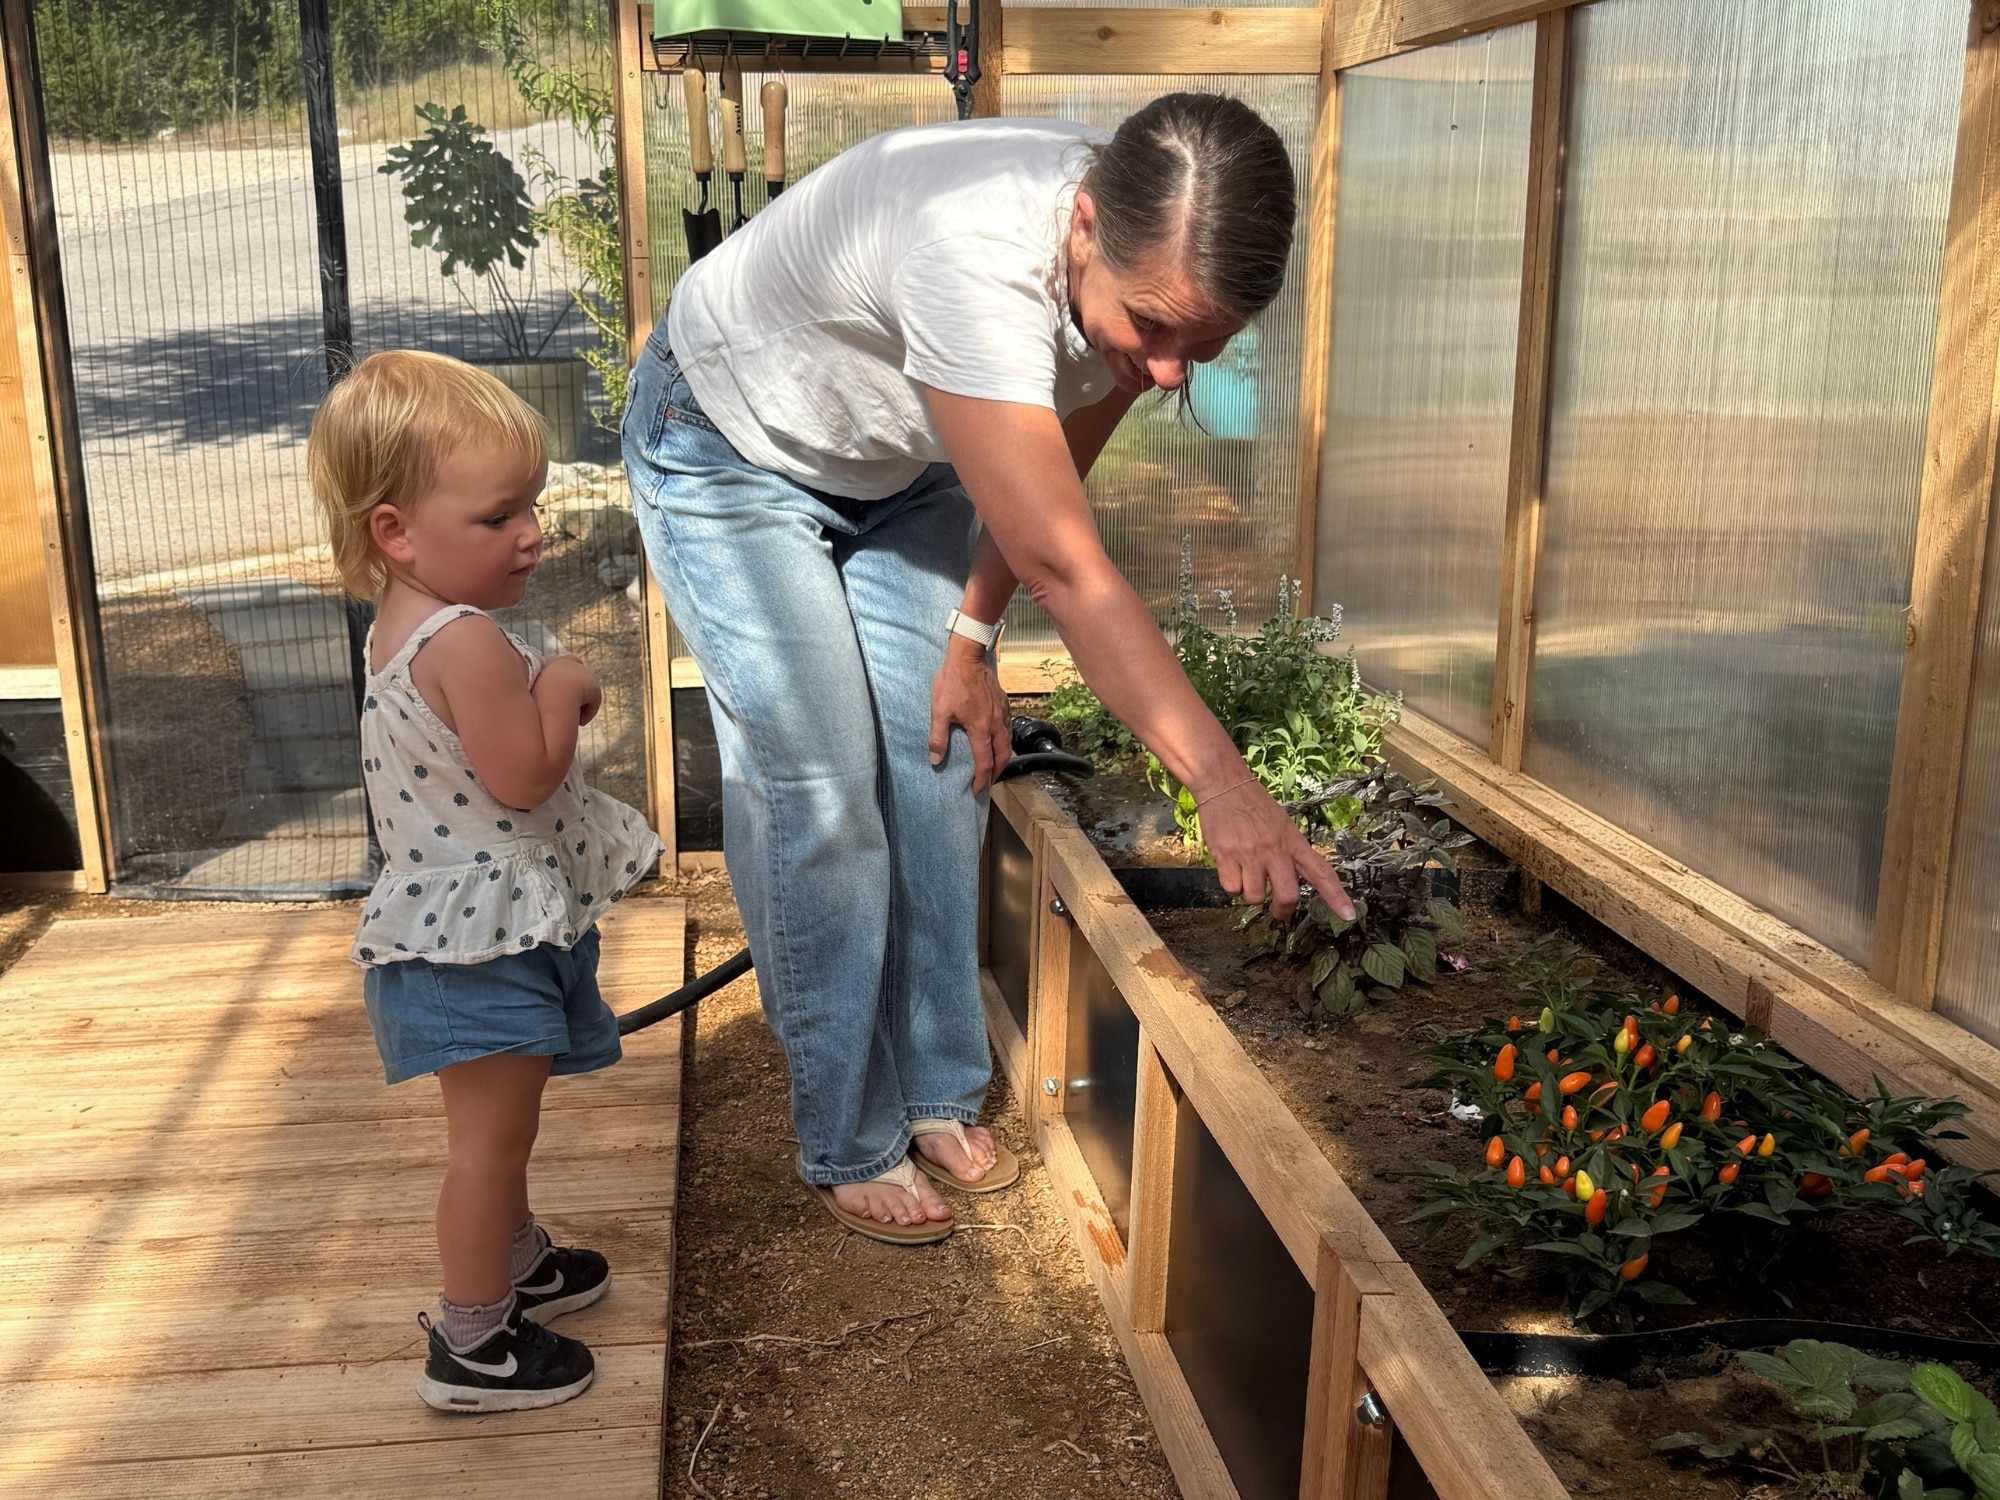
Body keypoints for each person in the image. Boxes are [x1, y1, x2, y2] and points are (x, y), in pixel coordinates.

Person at [625, 92, 1351, 1246]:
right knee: (821, 787)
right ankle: (847, 1133)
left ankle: (936, 1090)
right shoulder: (971, 253)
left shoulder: (1132, 267)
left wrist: (968, 646)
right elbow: (1066, 566)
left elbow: (1059, 458)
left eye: (1201, 347)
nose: (1166, 372)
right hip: (731, 446)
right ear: (1079, 229)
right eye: (1152, 327)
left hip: (901, 460)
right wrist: (1220, 784)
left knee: (941, 761)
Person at [309, 351, 663, 1411]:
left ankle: (513, 1264)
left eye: (533, 506)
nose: (531, 534)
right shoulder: (464, 642)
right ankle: (470, 1341)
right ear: (395, 532)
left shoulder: (406, 622)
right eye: (498, 515)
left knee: (503, 1130)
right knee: (488, 1143)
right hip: (479, 950)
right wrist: (561, 684)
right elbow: (522, 774)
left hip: (474, 932)